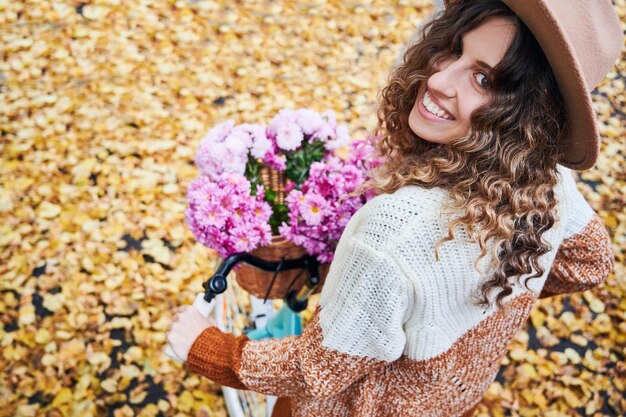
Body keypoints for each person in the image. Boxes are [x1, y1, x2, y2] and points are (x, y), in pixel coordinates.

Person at [166, 1, 622, 416]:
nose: (439, 80)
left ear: (526, 114)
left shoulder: (392, 231)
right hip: (452, 403)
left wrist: (206, 347)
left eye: (484, 79)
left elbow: (318, 370)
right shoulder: (547, 183)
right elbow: (591, 261)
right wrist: (489, 299)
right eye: (453, 51)